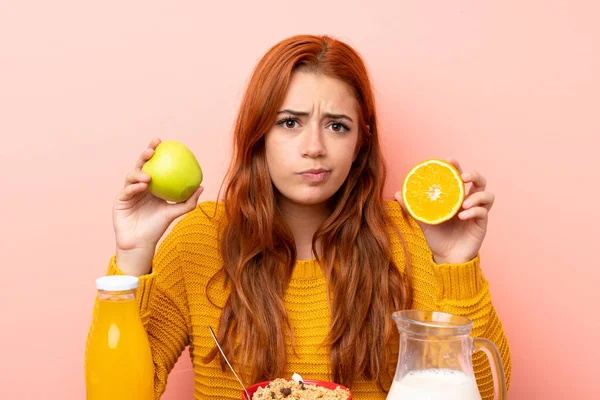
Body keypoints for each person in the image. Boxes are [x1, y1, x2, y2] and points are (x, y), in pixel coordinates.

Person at [86, 34, 511, 399]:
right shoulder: (199, 240)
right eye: (290, 122)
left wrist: (455, 262)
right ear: (259, 136)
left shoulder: (409, 237)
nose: (314, 147)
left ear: (361, 143)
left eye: (337, 126)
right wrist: (133, 254)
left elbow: (487, 392)